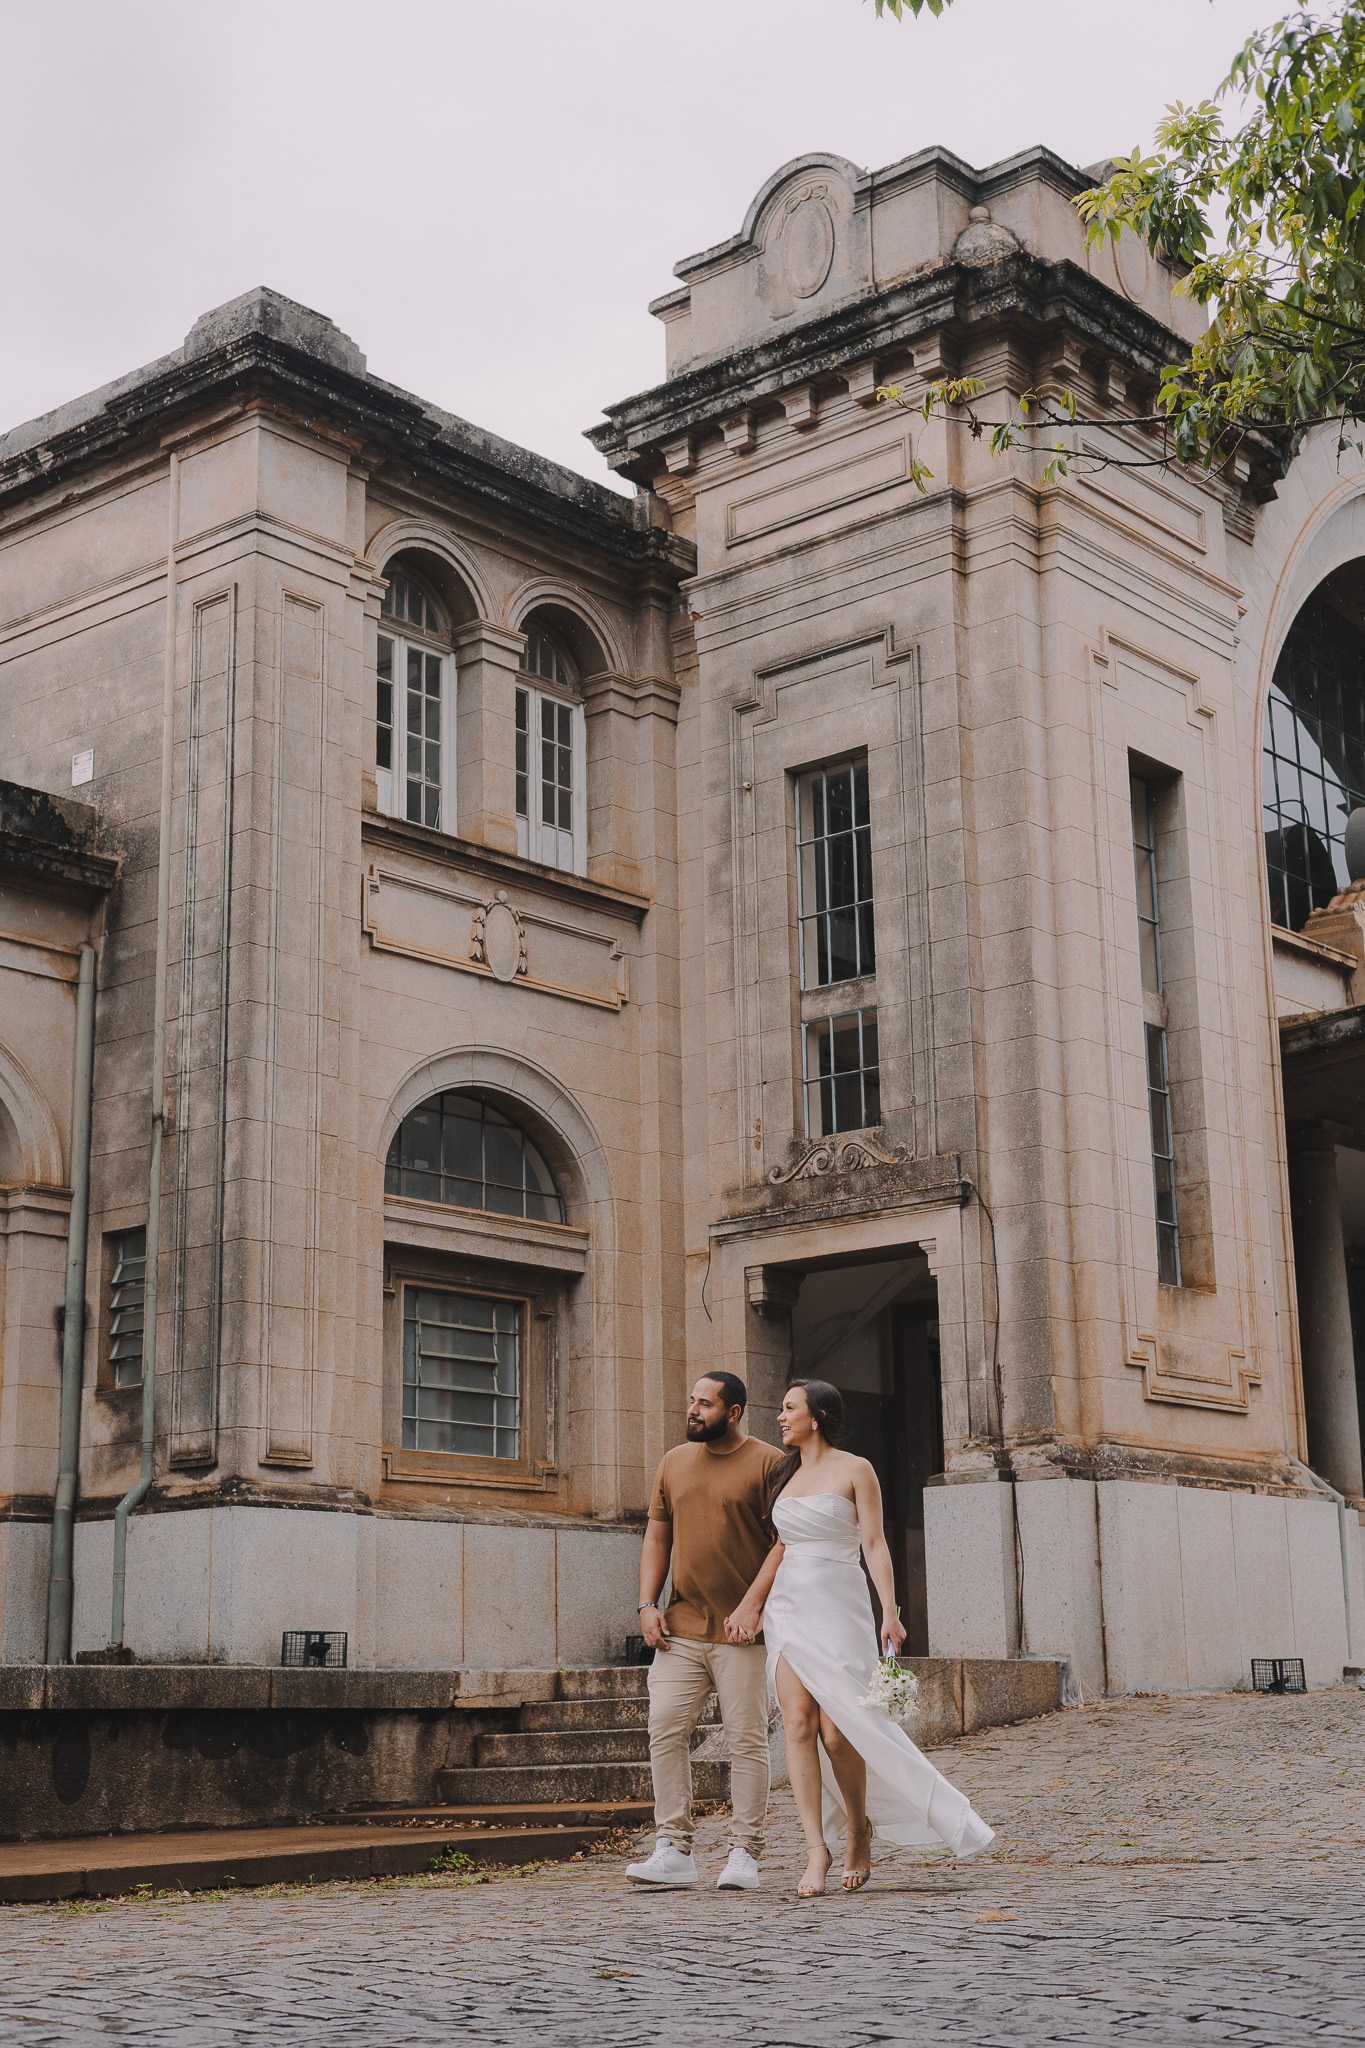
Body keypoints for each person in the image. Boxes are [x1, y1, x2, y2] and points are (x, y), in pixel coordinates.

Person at [725, 1377, 995, 1897]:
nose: (780, 1417)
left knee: (837, 1733)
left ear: (817, 1417)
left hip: (839, 1608)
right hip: (788, 1609)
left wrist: (890, 1612)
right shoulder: (785, 1474)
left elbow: (873, 1543)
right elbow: (782, 1546)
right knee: (798, 1726)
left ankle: (857, 1830)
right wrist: (751, 1604)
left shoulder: (856, 1470)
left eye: (789, 1408)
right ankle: (815, 1850)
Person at [625, 1372, 783, 1892]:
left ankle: (744, 1851)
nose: (693, 1410)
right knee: (665, 1728)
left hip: (744, 1633)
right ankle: (673, 1848)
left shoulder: (769, 1463)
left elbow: (786, 1543)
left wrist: (754, 1608)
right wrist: (647, 1604)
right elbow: (657, 1537)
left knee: (746, 1740)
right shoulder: (674, 1462)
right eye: (691, 1401)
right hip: (683, 1626)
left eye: (705, 1404)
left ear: (733, 1412)